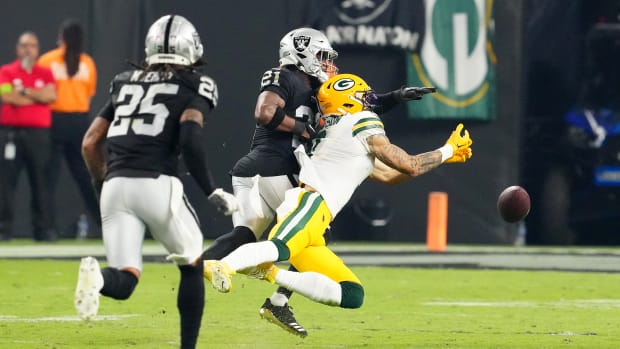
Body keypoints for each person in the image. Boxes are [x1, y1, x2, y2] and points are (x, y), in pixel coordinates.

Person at [201, 27, 437, 337]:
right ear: (302, 53)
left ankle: (200, 267)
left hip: (257, 170)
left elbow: (358, 100)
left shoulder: (316, 89)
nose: (329, 64)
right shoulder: (284, 76)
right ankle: (267, 292)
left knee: (250, 234)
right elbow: (265, 112)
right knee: (307, 233)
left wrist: (396, 97)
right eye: (323, 57)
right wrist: (303, 128)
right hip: (273, 167)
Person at [75, 15, 237, 349]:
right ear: (190, 47)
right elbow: (191, 140)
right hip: (156, 182)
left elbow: (91, 142)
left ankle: (97, 278)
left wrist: (101, 186)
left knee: (124, 279)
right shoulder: (195, 84)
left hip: (115, 185)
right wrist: (212, 190)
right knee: (193, 265)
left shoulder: (125, 82)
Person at [38, 18, 100, 238]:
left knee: (48, 178)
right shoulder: (88, 63)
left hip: (54, 120)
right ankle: (103, 226)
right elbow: (89, 95)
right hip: (80, 122)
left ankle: (46, 228)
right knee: (86, 176)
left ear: (61, 37)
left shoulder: (47, 60)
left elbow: (41, 93)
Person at [0, 31, 57, 242]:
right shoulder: (6, 71)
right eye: (24, 45)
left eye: (32, 46)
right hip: (11, 134)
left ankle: (42, 231)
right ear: (17, 48)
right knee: (6, 184)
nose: (27, 49)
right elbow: (7, 96)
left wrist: (23, 91)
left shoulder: (46, 72)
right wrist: (36, 96)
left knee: (41, 182)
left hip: (39, 135)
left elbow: (51, 95)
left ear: (37, 49)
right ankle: (4, 230)